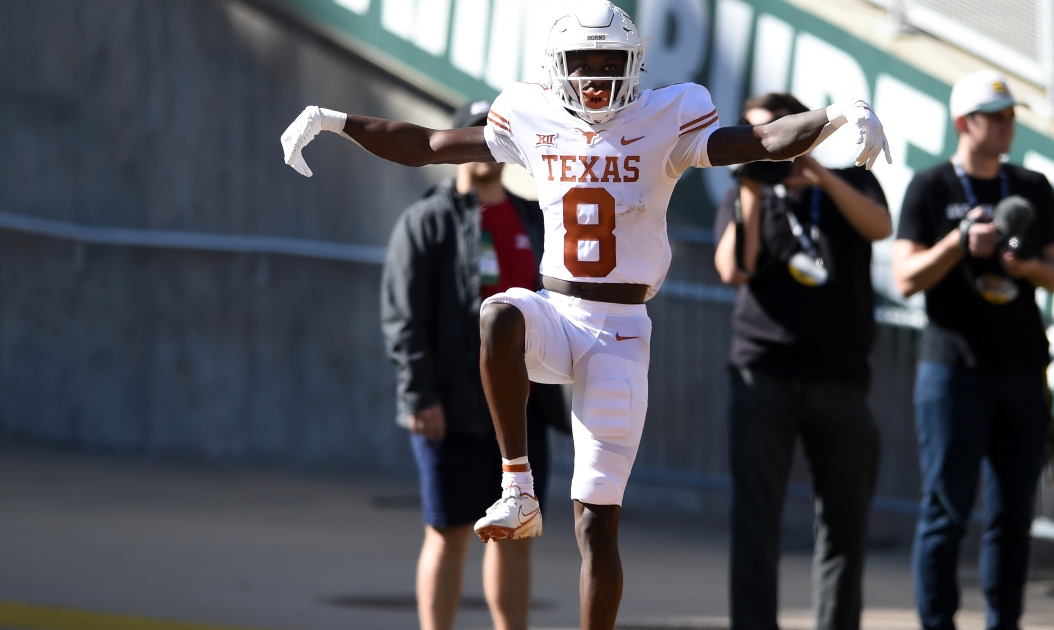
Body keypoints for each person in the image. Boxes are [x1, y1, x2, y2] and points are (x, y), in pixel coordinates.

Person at [281, 2, 890, 626]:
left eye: (610, 62)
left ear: (636, 64)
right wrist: (335, 118)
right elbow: (430, 144)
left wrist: (838, 115)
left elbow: (759, 141)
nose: (596, 75)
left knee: (596, 526)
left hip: (621, 333)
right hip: (556, 311)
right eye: (583, 62)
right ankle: (517, 487)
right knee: (498, 317)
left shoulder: (665, 118)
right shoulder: (533, 113)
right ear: (556, 67)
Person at [381, 99, 569, 630]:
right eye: (475, 132)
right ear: (458, 142)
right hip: (453, 407)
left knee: (517, 533)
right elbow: (402, 316)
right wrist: (419, 395)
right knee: (448, 531)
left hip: (523, 412)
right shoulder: (427, 221)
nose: (485, 143)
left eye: (494, 134)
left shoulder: (535, 219)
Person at [892, 69, 1054, 630]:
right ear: (965, 123)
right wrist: (960, 242)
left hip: (1021, 371)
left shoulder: (1034, 187)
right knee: (945, 512)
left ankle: (1003, 623)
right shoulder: (931, 186)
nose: (1008, 125)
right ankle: (937, 623)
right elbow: (905, 278)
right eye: (997, 117)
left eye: (1013, 115)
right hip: (952, 373)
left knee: (1013, 516)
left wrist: (1025, 266)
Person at [713, 92, 889, 630]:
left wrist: (817, 174)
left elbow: (881, 226)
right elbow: (733, 270)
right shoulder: (746, 192)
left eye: (773, 133)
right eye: (754, 133)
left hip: (839, 381)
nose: (763, 144)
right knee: (755, 523)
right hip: (763, 377)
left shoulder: (848, 179)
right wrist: (750, 185)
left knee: (843, 525)